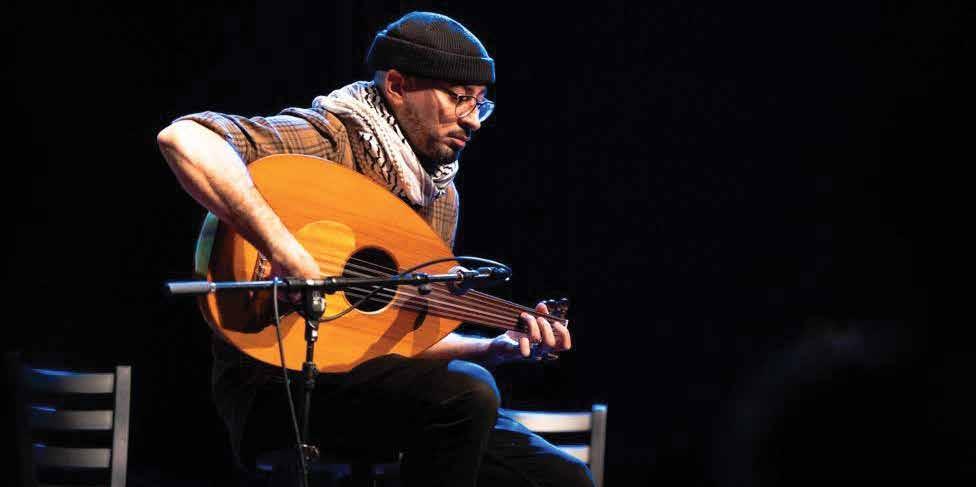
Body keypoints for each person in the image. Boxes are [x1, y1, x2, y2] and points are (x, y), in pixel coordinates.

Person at [157, 11, 593, 487]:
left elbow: (399, 338)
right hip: (276, 387)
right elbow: (185, 139)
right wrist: (283, 248)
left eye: (480, 104)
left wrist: (493, 346)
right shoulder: (329, 139)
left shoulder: (439, 195)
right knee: (468, 393)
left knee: (563, 476)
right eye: (459, 98)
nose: (473, 120)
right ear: (398, 86)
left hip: (388, 390)